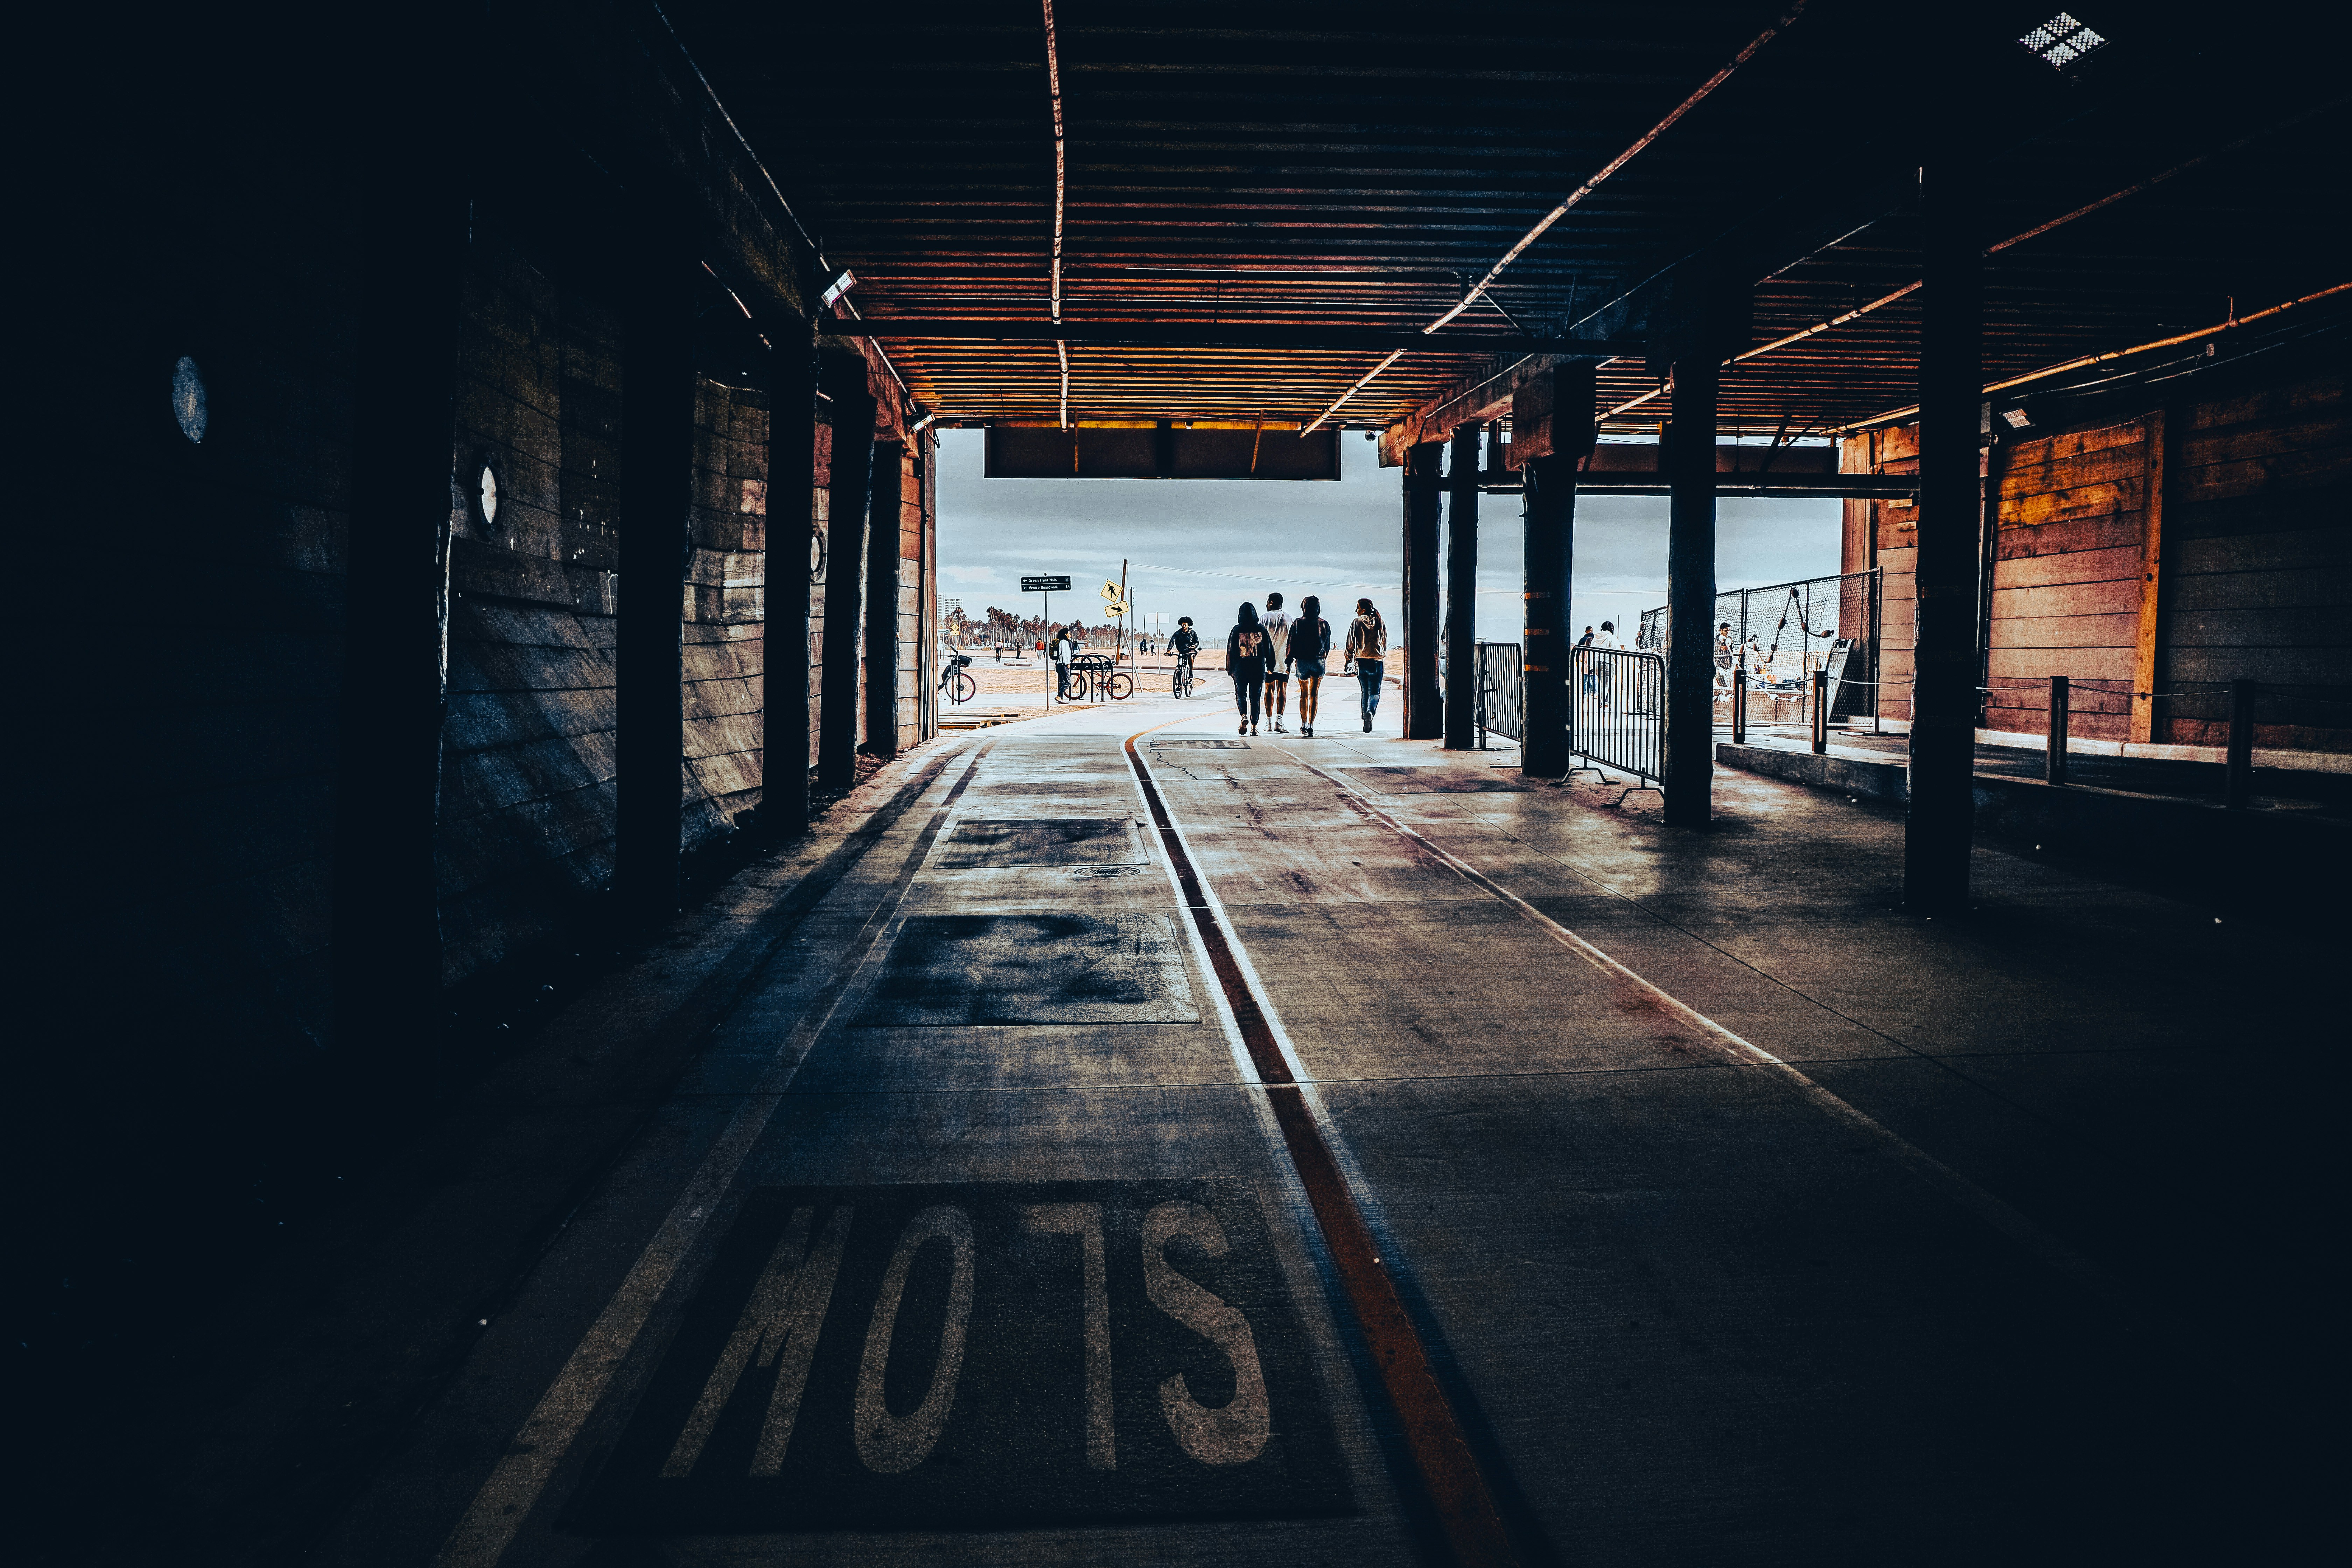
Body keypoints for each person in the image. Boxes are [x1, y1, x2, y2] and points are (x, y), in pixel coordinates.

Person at [1287, 594, 1332, 737]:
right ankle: (1312, 725)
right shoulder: (1324, 624)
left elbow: (1291, 644)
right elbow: (1328, 646)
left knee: (1304, 694)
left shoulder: (1298, 623)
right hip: (1319, 661)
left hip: (1302, 662)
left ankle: (1304, 724)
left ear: (1304, 607)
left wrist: (1289, 661)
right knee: (1314, 694)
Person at [1343, 597, 1386, 732]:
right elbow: (1384, 641)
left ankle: (1365, 716)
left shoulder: (1357, 622)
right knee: (1375, 693)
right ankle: (1371, 712)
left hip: (1361, 661)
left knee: (1365, 692)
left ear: (1363, 609)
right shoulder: (1380, 622)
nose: (1356, 610)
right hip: (1377, 661)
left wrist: (1348, 659)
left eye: (1358, 608)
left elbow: (1350, 644)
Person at [1227, 602, 1270, 734]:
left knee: (1240, 695)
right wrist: (1271, 665)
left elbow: (1231, 651)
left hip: (1241, 670)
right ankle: (1254, 727)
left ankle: (1244, 716)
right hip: (1258, 669)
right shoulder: (1262, 630)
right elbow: (1269, 649)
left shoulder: (1236, 630)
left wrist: (1230, 669)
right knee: (1255, 698)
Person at [1260, 592, 1294, 732]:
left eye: (1268, 602)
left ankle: (1268, 722)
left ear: (1272, 602)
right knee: (1282, 689)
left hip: (1268, 662)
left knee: (1269, 689)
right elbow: (1293, 642)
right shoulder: (1290, 619)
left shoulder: (1263, 619)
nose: (1267, 604)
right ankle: (1279, 721)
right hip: (1284, 661)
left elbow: (1259, 641)